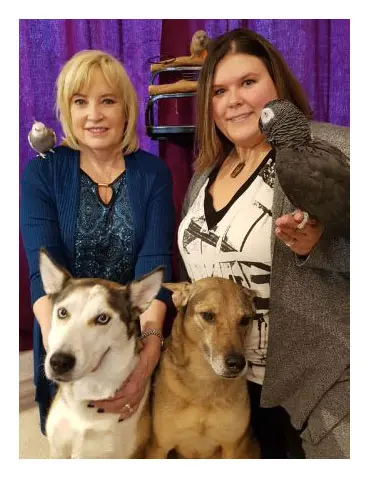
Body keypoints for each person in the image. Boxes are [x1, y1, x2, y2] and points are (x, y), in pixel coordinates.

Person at [178, 28, 349, 458]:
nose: (233, 100)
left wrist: (318, 248)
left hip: (320, 390)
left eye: (248, 83)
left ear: (277, 84)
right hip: (228, 389)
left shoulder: (334, 148)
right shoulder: (205, 174)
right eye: (219, 90)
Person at [20, 50, 175, 434]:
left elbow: (155, 264)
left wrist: (147, 358)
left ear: (126, 108)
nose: (94, 114)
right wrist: (62, 356)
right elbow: (43, 277)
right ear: (66, 110)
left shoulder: (153, 174)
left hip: (128, 351)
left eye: (108, 100)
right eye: (80, 102)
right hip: (64, 351)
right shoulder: (43, 174)